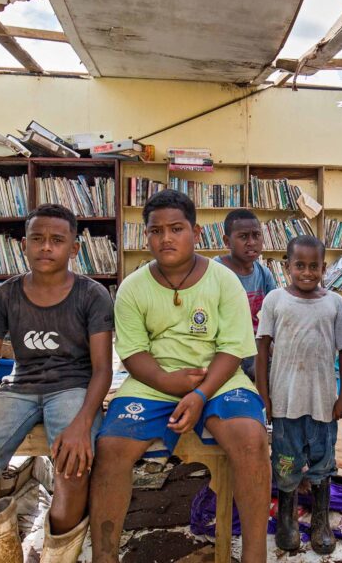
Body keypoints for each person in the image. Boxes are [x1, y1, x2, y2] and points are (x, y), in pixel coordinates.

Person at [90, 190, 270, 563]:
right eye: (156, 231)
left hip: (219, 378)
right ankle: (104, 556)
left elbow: (233, 348)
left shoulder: (223, 280)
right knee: (110, 449)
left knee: (252, 439)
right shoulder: (133, 287)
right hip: (153, 381)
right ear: (146, 237)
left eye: (176, 228)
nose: (166, 238)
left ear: (196, 232)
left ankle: (255, 554)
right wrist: (171, 384)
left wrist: (201, 394)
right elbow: (133, 352)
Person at [0, 204, 114, 563]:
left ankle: (56, 557)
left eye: (56, 240)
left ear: (74, 249)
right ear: (24, 244)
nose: (46, 247)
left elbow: (102, 369)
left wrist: (82, 424)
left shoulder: (92, 295)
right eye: (37, 239)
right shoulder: (4, 296)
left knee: (73, 466)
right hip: (19, 388)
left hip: (73, 387)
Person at [255, 235, 342, 554]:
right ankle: (287, 518)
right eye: (299, 265)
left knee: (322, 461)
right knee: (286, 462)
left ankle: (320, 520)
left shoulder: (335, 303)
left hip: (323, 403)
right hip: (285, 403)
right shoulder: (274, 300)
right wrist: (264, 396)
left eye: (314, 266)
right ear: (287, 267)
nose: (307, 273)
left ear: (324, 268)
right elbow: (261, 351)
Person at [213, 208, 276, 381]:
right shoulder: (214, 272)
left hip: (258, 349)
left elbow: (274, 318)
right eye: (243, 237)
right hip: (224, 350)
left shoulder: (264, 274)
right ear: (227, 241)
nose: (251, 242)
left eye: (256, 235)